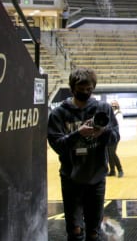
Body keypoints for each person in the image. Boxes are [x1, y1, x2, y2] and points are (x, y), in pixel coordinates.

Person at [47, 68, 120, 241]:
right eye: (82, 89)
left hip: (97, 176)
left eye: (89, 89)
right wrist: (78, 134)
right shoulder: (59, 113)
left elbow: (116, 137)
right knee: (74, 231)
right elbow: (57, 146)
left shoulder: (102, 108)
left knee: (94, 231)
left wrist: (103, 132)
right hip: (71, 178)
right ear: (72, 88)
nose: (86, 93)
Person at [107, 100, 124, 177]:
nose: (113, 106)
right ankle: (112, 170)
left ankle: (120, 170)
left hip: (115, 136)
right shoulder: (109, 114)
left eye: (114, 104)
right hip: (108, 136)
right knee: (108, 154)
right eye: (111, 104)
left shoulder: (119, 114)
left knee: (112, 153)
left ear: (117, 105)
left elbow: (117, 123)